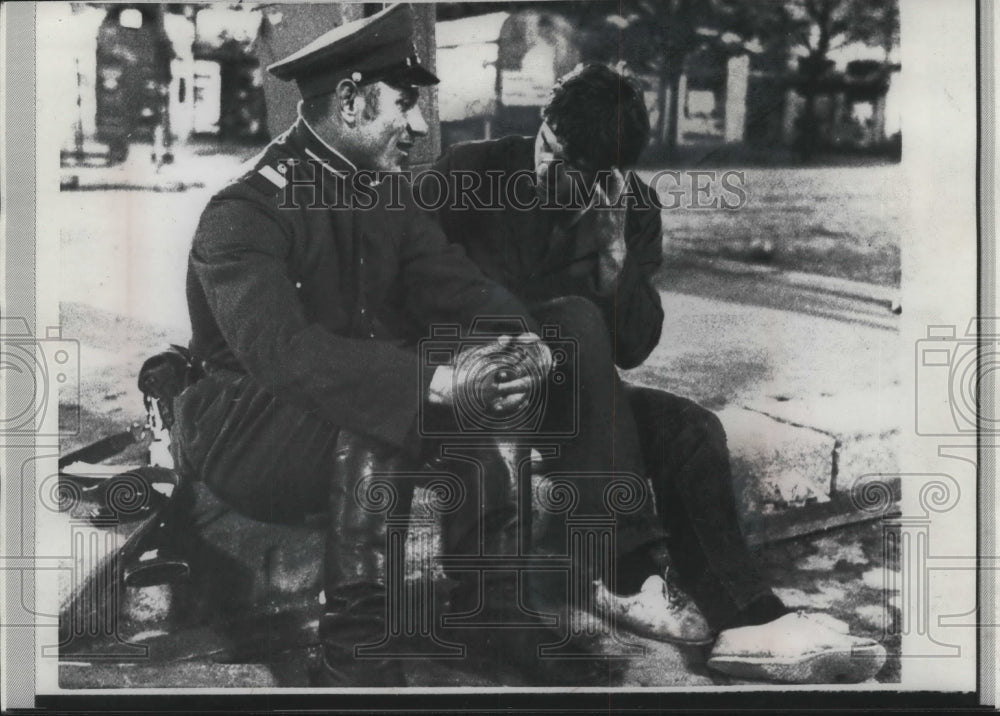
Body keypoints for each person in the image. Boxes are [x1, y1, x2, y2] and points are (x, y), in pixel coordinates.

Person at [169, 5, 693, 687]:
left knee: (476, 381)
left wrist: (521, 345)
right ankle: (354, 647)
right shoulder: (245, 212)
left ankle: (492, 617)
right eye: (404, 105)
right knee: (397, 398)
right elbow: (285, 355)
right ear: (352, 102)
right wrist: (437, 383)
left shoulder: (387, 197)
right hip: (247, 431)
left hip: (336, 420)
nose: (418, 125)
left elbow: (460, 286)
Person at [426, 63, 887, 684]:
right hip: (480, 384)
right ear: (544, 125)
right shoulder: (470, 171)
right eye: (551, 153)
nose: (556, 176)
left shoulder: (633, 207)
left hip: (577, 403)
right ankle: (623, 567)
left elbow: (636, 346)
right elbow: (416, 289)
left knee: (689, 426)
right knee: (574, 319)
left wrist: (614, 259)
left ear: (610, 172)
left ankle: (748, 616)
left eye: (581, 172)